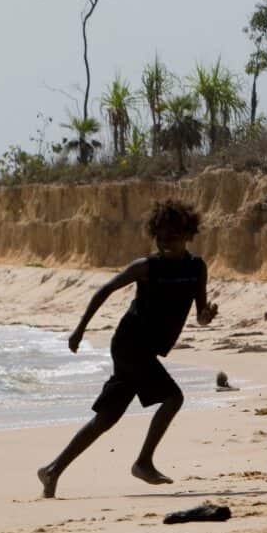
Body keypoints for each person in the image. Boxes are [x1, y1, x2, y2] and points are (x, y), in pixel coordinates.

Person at [37, 199, 218, 499]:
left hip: (144, 349)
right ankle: (143, 462)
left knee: (106, 418)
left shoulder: (196, 268)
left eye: (172, 235)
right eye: (160, 236)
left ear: (188, 234)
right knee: (174, 397)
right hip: (130, 344)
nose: (165, 242)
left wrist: (206, 316)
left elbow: (199, 314)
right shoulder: (147, 267)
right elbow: (105, 290)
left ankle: (52, 470)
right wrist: (79, 330)